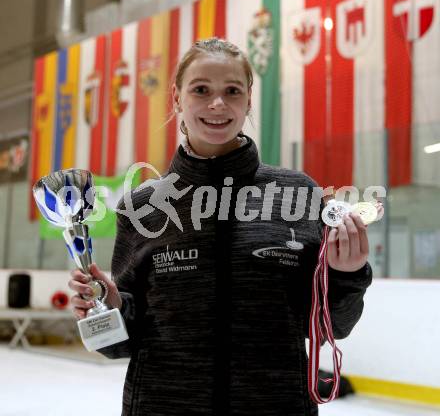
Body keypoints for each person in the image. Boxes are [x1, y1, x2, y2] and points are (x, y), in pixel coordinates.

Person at [69, 38, 372, 416]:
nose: (217, 104)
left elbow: (331, 328)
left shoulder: (297, 194)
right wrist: (108, 308)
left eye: (232, 91)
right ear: (177, 98)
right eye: (201, 90)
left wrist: (347, 274)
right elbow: (119, 344)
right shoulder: (142, 207)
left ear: (248, 100)